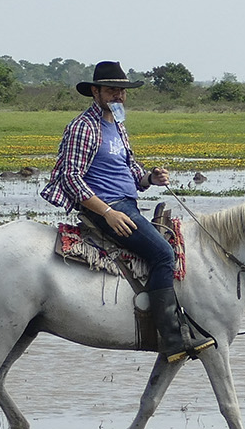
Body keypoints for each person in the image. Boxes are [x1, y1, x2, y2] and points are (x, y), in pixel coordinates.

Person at [40, 60, 210, 361]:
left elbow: (130, 171)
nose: (118, 96)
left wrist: (150, 179)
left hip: (126, 204)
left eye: (122, 91)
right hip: (108, 208)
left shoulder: (117, 124)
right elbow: (70, 177)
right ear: (95, 91)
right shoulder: (83, 127)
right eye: (111, 90)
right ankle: (170, 337)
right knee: (162, 254)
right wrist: (107, 213)